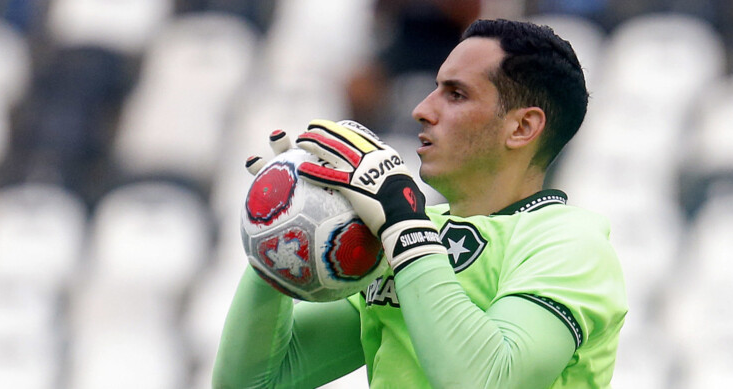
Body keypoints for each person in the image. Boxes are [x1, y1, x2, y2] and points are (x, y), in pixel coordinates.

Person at [214, 19, 627, 388]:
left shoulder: (572, 244)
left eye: (456, 94)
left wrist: (405, 227)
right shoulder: (403, 237)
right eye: (435, 89)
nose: (421, 110)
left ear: (522, 127)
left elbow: (489, 380)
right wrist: (280, 233)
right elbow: (252, 384)